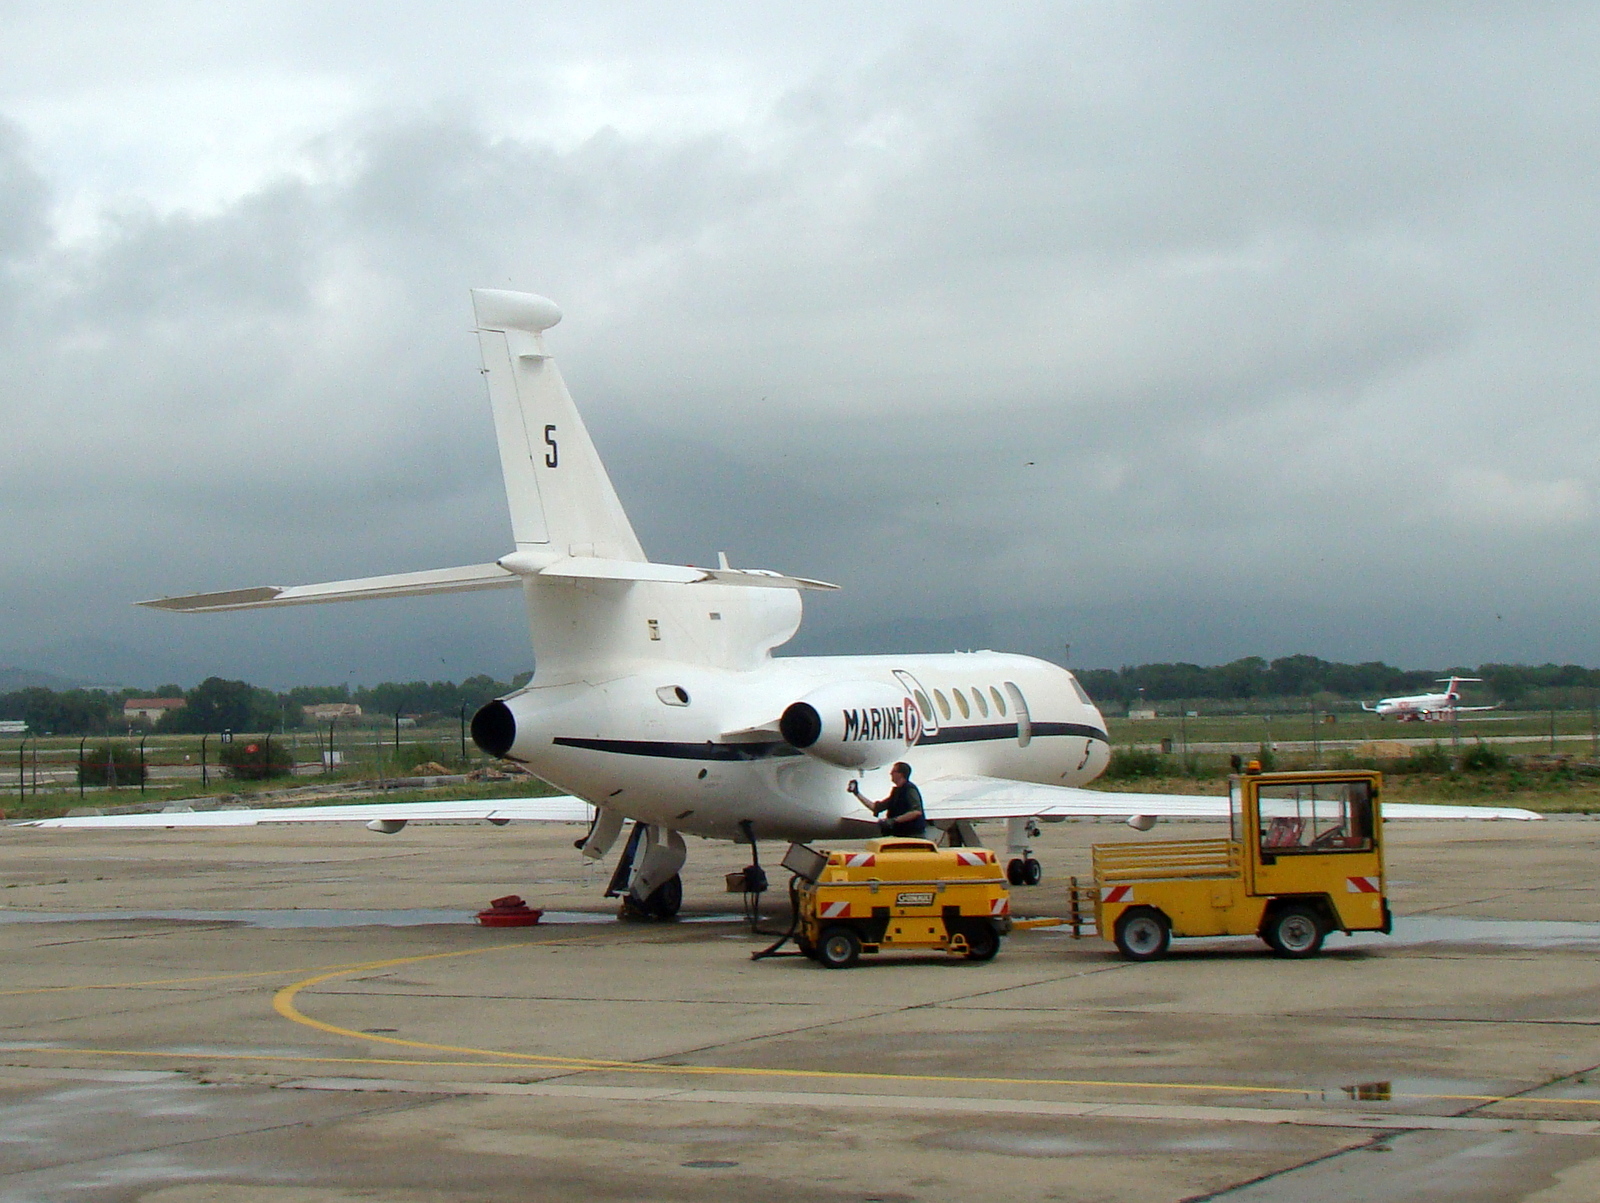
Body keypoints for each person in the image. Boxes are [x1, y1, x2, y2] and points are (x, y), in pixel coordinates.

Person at [848, 761, 927, 837]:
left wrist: (893, 821)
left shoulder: (909, 789)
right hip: (901, 834)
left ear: (900, 774)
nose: (890, 773)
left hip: (912, 835)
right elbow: (876, 807)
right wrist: (857, 793)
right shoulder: (897, 792)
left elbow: (916, 811)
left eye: (893, 771)